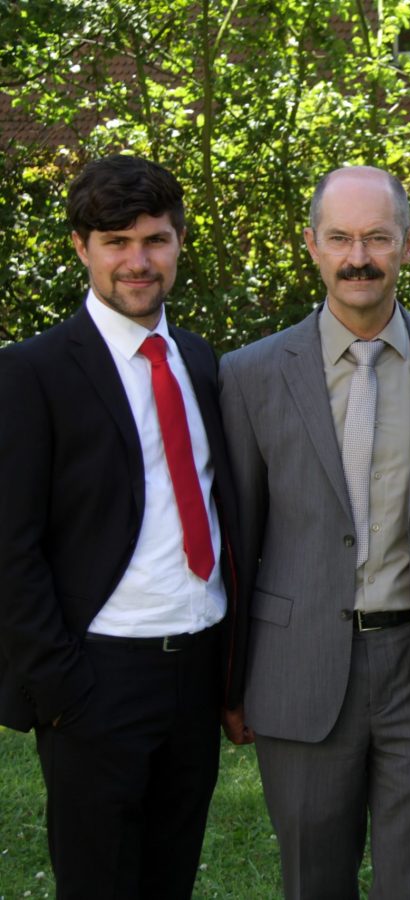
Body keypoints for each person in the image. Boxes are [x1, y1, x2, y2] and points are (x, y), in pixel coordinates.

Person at [218, 165, 410, 898]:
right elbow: (239, 541)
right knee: (313, 880)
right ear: (311, 245)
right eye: (340, 238)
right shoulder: (250, 374)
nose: (358, 257)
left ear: (408, 243)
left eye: (377, 237)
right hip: (298, 664)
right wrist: (232, 678)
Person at [0, 154, 247, 898]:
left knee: (171, 878)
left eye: (155, 240)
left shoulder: (199, 360)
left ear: (178, 243)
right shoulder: (32, 372)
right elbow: (10, 547)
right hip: (97, 677)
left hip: (196, 670)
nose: (138, 262)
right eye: (116, 242)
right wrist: (60, 687)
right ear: (82, 247)